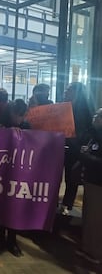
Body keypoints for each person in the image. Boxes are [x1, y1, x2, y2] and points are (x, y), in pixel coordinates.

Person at [0, 99, 30, 257]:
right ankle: (0, 239)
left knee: (14, 208)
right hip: (2, 173)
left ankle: (12, 241)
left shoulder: (27, 127)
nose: (18, 119)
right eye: (16, 115)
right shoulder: (1, 124)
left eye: (21, 116)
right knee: (1, 206)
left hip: (19, 174)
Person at [74, 108, 102, 265]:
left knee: (95, 220)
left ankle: (95, 253)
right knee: (88, 216)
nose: (94, 117)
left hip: (98, 184)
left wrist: (86, 156)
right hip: (91, 182)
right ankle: (87, 248)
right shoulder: (95, 135)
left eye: (98, 116)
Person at [61, 82, 94, 215]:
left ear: (76, 92)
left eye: (68, 90)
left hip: (76, 149)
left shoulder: (82, 109)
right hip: (67, 146)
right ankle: (65, 204)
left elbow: (84, 130)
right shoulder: (67, 107)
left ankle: (67, 205)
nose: (65, 92)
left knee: (71, 178)